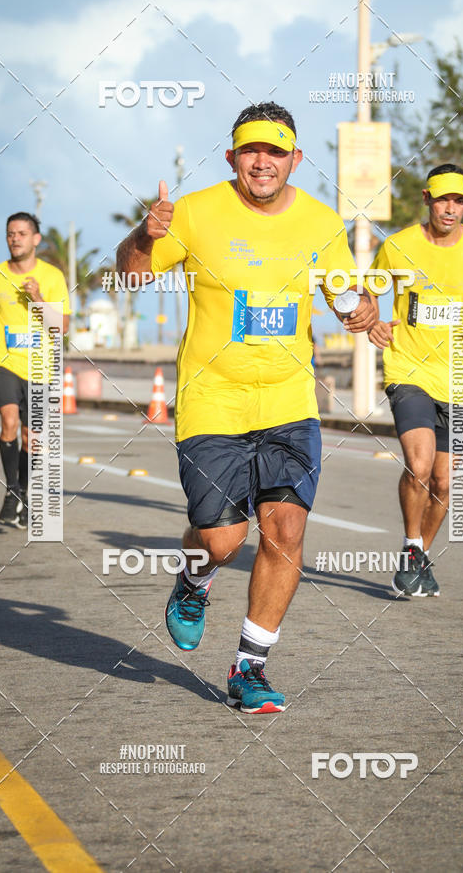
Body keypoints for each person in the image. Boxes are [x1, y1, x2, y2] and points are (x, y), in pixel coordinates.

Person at [117, 101, 377, 713]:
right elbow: (130, 278)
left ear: (296, 158)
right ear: (232, 156)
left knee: (284, 530)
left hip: (289, 400)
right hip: (212, 401)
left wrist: (360, 308)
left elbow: (344, 295)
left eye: (276, 151)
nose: (264, 161)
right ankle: (194, 579)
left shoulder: (320, 222)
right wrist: (143, 235)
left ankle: (249, 667)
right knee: (223, 538)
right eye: (251, 151)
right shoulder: (196, 213)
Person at [368, 164, 463, 597]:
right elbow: (368, 292)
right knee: (418, 467)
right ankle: (411, 544)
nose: (450, 209)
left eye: (459, 201)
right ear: (427, 199)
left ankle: (418, 559)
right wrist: (373, 323)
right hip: (408, 372)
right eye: (443, 200)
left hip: (460, 377)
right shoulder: (397, 247)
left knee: (443, 482)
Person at [0, 212, 70, 528]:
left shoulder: (52, 277)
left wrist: (38, 298)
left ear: (36, 239)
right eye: (11, 233)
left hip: (41, 366)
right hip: (2, 360)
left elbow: (61, 327)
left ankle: (23, 491)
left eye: (23, 233)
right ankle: (12, 491)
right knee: (9, 420)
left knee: (31, 436)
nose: (16, 238)